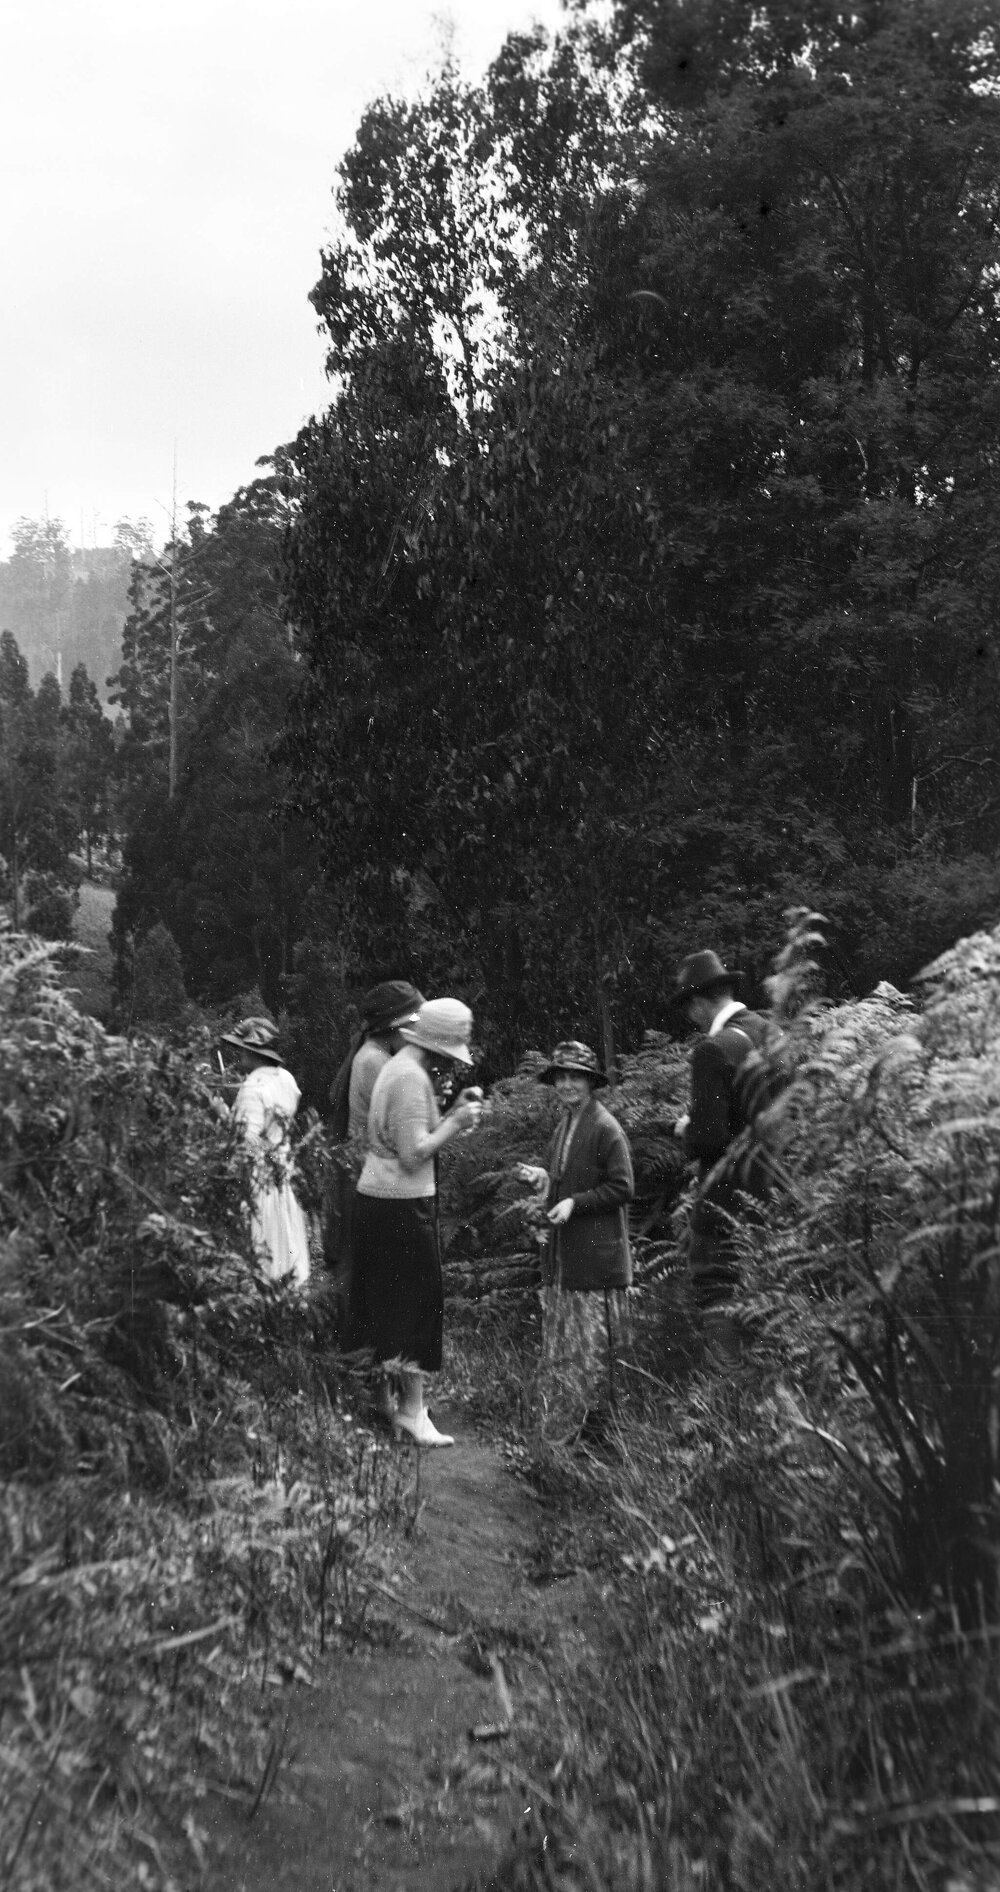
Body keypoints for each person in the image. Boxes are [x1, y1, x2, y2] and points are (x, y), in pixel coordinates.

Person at [353, 997, 484, 1446]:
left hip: (380, 1197)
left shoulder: (400, 1066)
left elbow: (410, 1135)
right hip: (401, 1202)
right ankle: (412, 1412)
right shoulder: (410, 1077)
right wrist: (460, 1123)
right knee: (415, 1305)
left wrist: (448, 1114)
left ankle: (386, 1401)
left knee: (386, 1302)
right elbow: (413, 1154)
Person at [516, 1041, 634, 1442]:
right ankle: (571, 1435)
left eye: (575, 1077)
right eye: (561, 1077)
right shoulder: (565, 1125)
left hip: (596, 1263)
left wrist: (574, 1202)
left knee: (595, 1357)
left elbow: (622, 1187)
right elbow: (567, 1180)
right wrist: (544, 1180)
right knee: (570, 1355)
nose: (567, 1084)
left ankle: (599, 1437)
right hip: (567, 1258)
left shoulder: (605, 1127)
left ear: (590, 1082)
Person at [667, 949, 768, 1354]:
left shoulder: (712, 1050)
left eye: (689, 1007)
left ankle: (733, 1391)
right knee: (766, 1301)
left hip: (726, 1200)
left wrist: (686, 1129)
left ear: (697, 1003)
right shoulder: (770, 1032)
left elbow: (708, 1139)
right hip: (775, 1195)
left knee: (716, 1292)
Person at [220, 1016, 311, 1287]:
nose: (238, 1054)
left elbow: (247, 1142)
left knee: (263, 1244)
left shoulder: (252, 1088)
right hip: (283, 1171)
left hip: (260, 1177)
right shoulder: (286, 1079)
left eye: (241, 1049)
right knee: (284, 1241)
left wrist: (224, 1116)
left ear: (252, 1051)